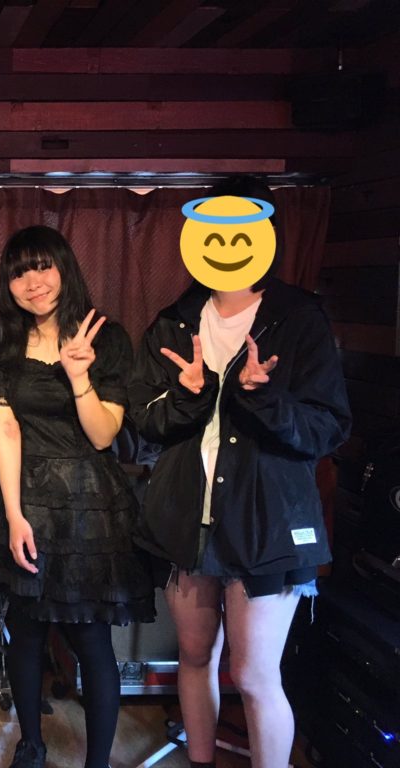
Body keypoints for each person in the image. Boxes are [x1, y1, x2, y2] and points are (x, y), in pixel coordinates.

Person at [129, 177, 351, 768]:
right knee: (194, 656)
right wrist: (188, 396)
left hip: (268, 522)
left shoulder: (299, 318)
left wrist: (265, 397)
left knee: (254, 675)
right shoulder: (175, 321)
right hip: (187, 518)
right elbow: (145, 422)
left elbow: (329, 427)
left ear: (266, 234)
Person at [0, 225, 154, 768]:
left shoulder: (104, 336)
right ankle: (31, 745)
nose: (33, 282)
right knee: (25, 632)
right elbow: (6, 429)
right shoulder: (1, 342)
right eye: (19, 272)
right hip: (26, 497)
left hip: (89, 506)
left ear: (64, 268)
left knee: (91, 640)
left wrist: (78, 376)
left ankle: (97, 762)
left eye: (42, 266)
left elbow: (103, 435)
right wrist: (13, 514)